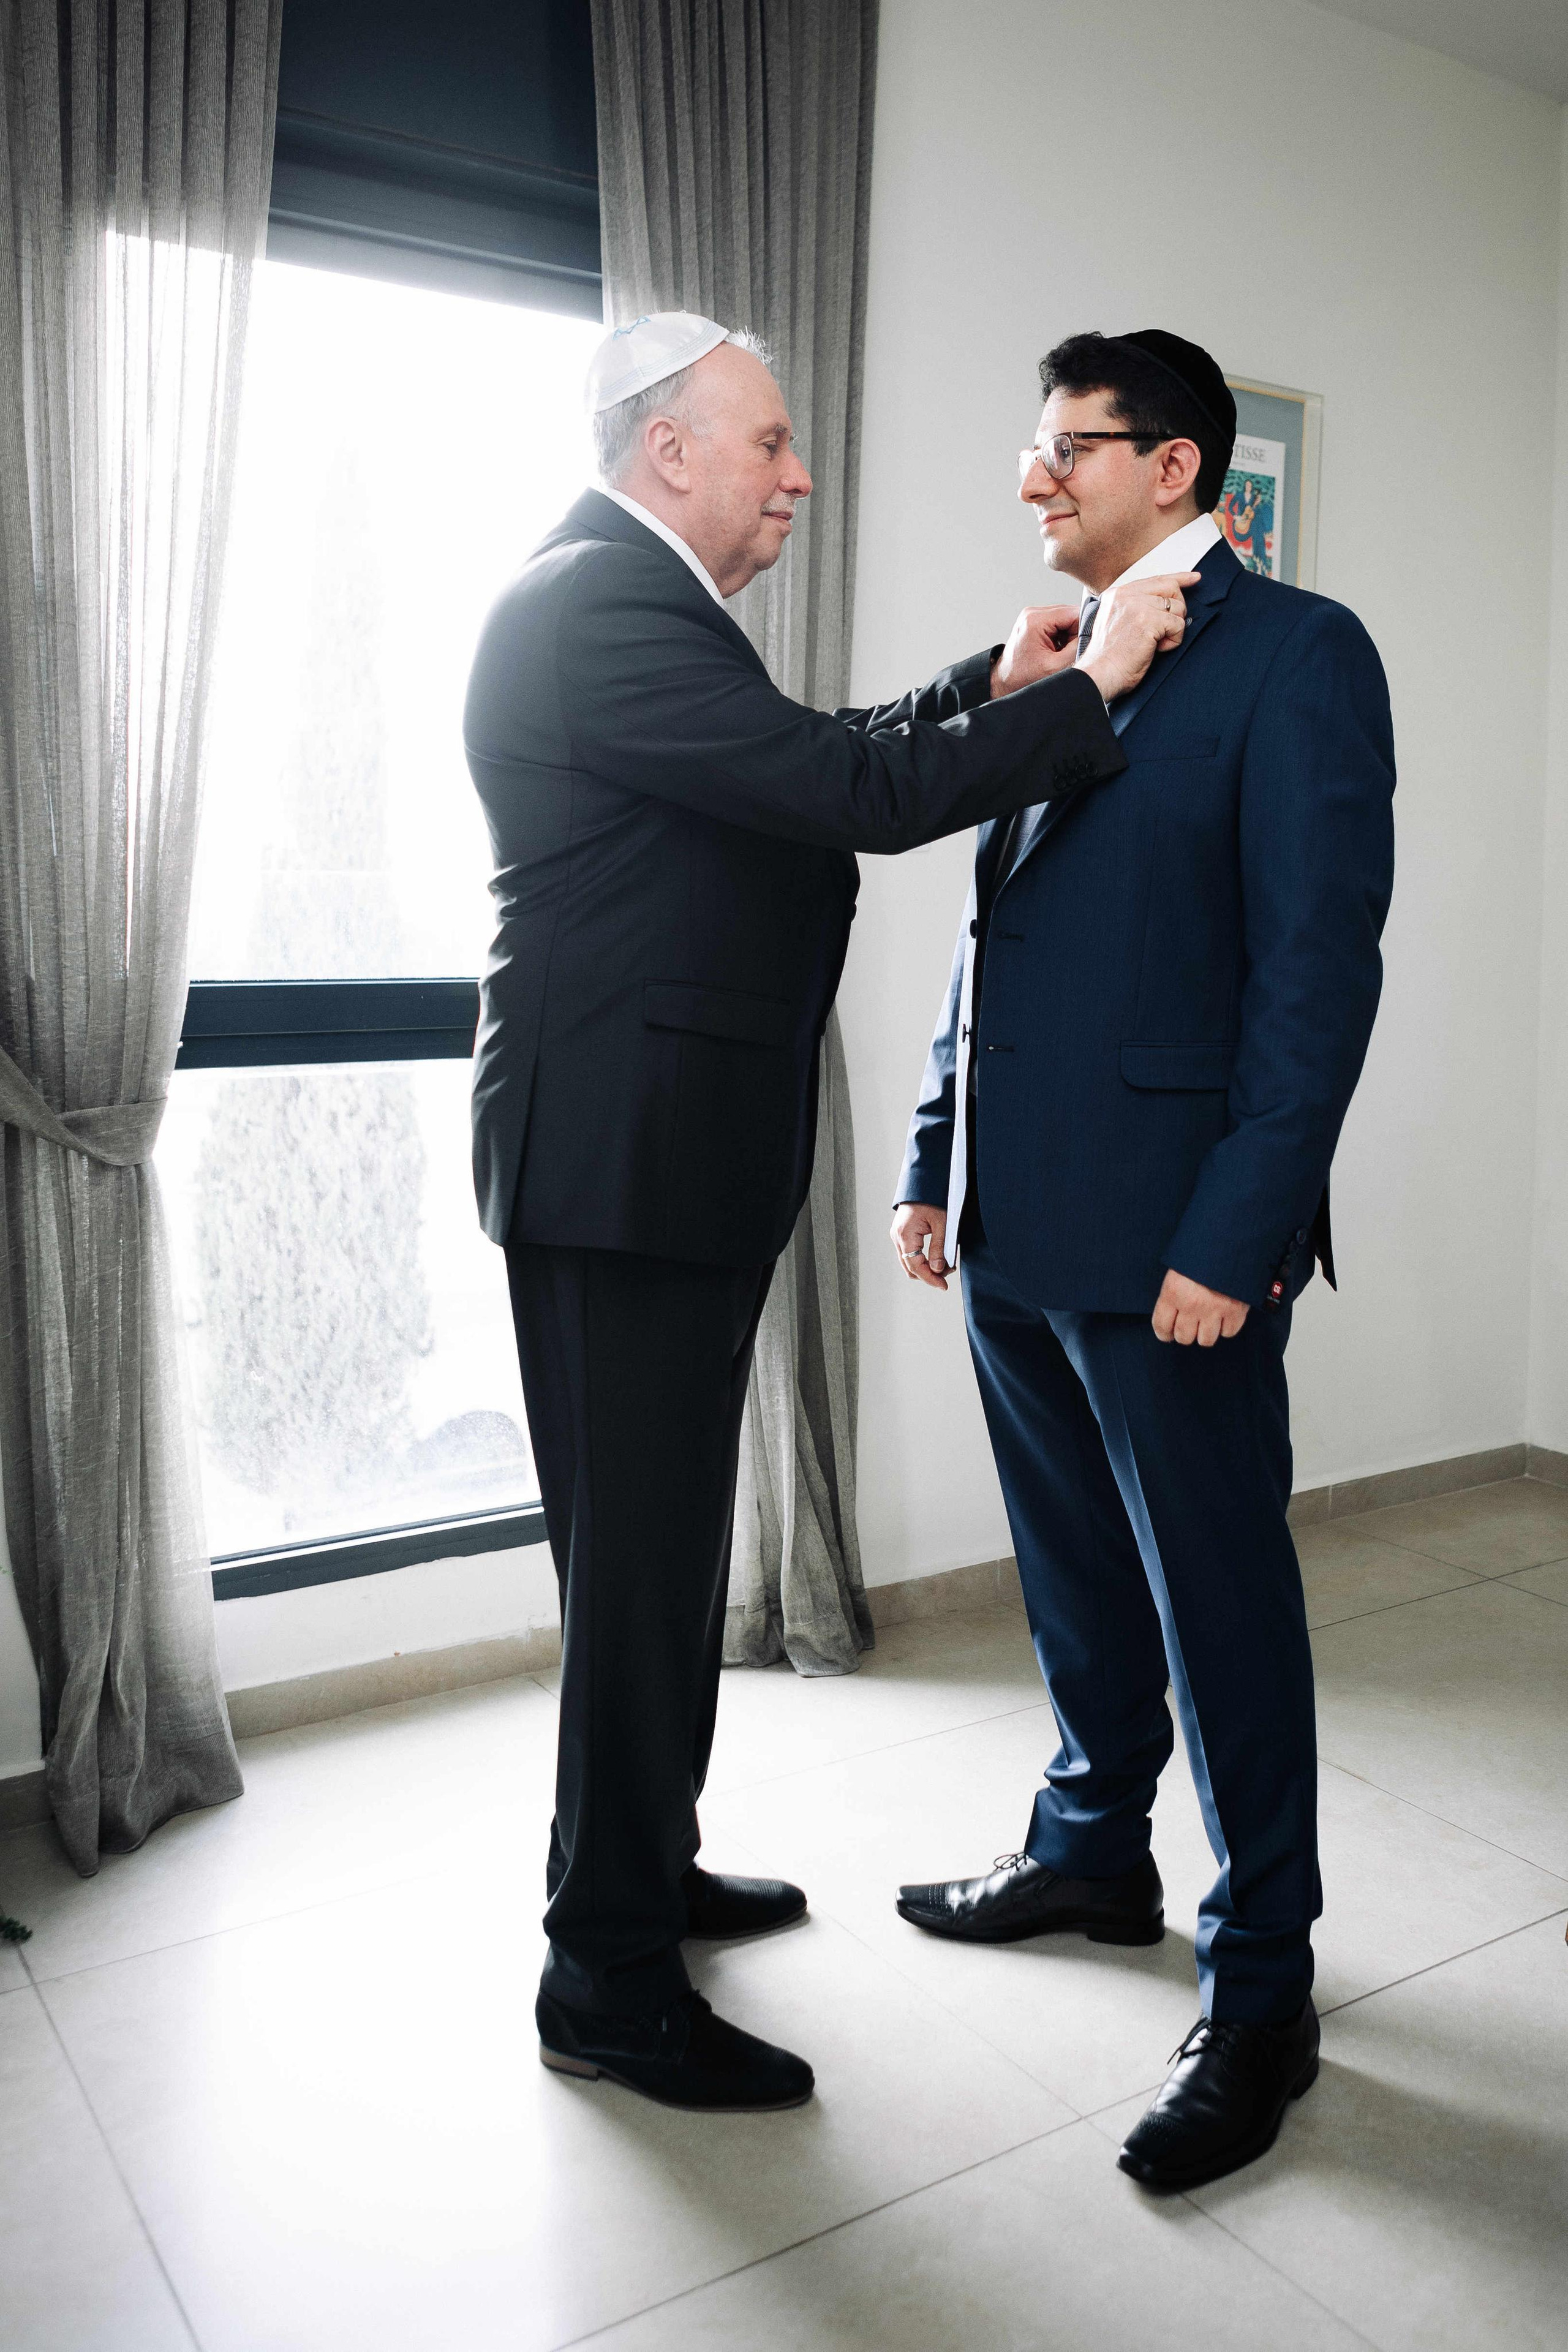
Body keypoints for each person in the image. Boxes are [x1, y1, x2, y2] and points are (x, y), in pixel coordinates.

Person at [463, 312, 1193, 2113]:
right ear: (669, 454)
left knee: (657, 1566)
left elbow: (811, 751)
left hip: (661, 1161)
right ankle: (607, 1979)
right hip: (619, 1168)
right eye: (772, 444)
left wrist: (980, 679)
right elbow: (846, 795)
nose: (800, 477)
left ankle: (644, 1871)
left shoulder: (637, 607)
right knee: (639, 1585)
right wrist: (1083, 690)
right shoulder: (593, 601)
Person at [891, 328, 1395, 2188]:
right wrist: (935, 1151)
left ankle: (1262, 1985)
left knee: (1219, 1607)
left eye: (1065, 454)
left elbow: (1313, 981)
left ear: (1174, 467)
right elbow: (989, 934)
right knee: (1074, 1577)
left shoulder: (1303, 659)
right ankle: (1093, 1850)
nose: (1034, 483)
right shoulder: (1061, 657)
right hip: (1016, 1227)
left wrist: (1237, 1234)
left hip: (1176, 1244)